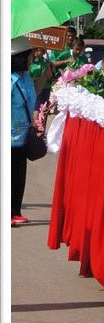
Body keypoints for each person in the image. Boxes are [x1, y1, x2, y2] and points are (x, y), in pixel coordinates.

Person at [10, 37, 40, 226]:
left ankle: (15, 211)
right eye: (29, 55)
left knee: (19, 174)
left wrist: (45, 75)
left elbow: (32, 98)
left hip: (23, 135)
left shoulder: (26, 77)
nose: (32, 57)